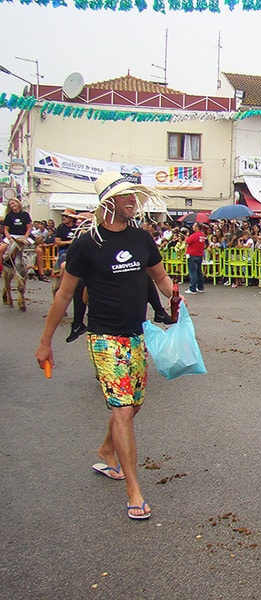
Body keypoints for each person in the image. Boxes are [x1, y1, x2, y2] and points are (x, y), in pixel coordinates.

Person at [35, 172, 179, 521]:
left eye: (134, 196)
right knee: (124, 410)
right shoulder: (87, 244)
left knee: (133, 405)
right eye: (126, 196)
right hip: (103, 338)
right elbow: (64, 295)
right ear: (108, 202)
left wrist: (175, 297)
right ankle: (134, 491)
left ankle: (105, 450)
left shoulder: (142, 238)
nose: (133, 201)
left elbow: (160, 277)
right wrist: (45, 342)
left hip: (137, 335)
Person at [1, 197, 49, 282]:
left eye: (13, 203)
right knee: (1, 249)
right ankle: (1, 269)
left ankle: (41, 274)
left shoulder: (25, 214)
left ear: (18, 203)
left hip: (24, 235)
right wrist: (9, 238)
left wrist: (25, 237)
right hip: (12, 236)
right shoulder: (9, 215)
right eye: (10, 204)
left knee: (39, 251)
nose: (12, 205)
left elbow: (29, 227)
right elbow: (6, 229)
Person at [185, 222, 207, 294]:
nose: (193, 227)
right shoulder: (202, 235)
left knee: (193, 272)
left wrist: (187, 236)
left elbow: (187, 241)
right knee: (199, 272)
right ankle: (200, 287)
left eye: (194, 226)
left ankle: (192, 288)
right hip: (199, 255)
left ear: (197, 227)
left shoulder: (194, 235)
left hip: (192, 254)